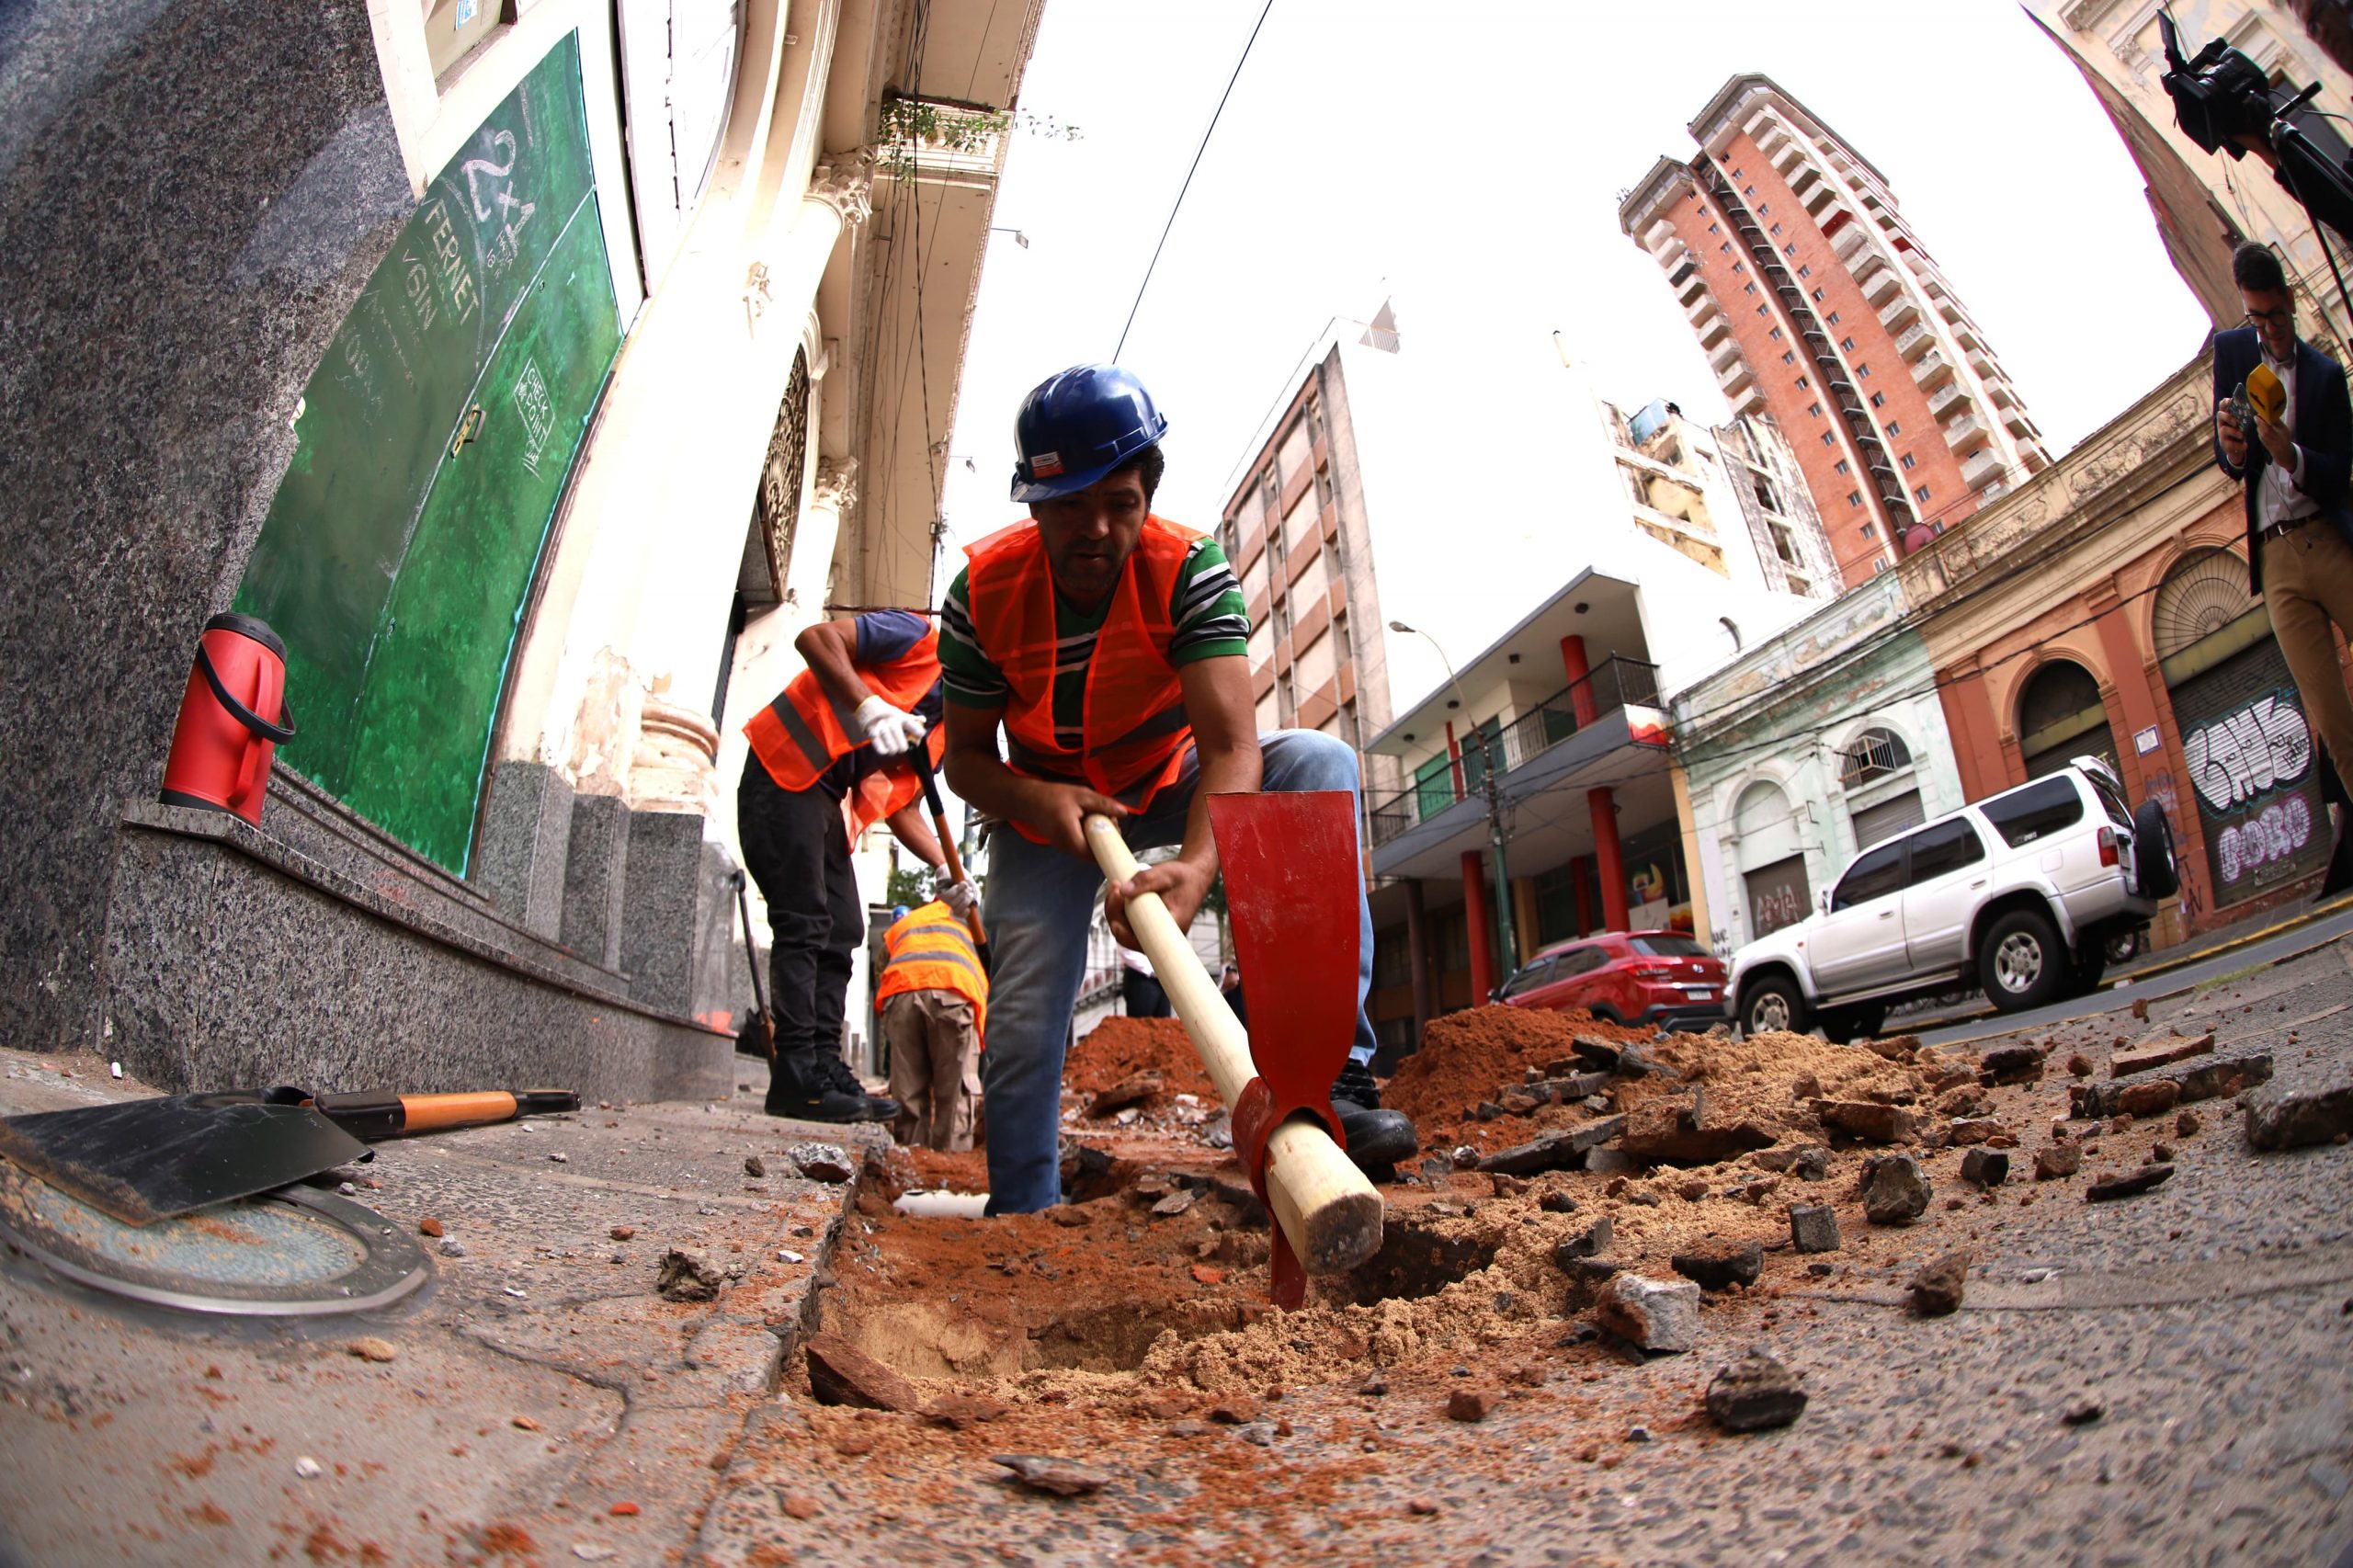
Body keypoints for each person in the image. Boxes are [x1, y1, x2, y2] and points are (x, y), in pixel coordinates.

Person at [939, 363, 1419, 1213]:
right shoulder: (980, 594)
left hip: (1171, 775)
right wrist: (1038, 802)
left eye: (1120, 503)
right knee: (1024, 1002)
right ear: (1033, 504)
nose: (1096, 530)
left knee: (1316, 762)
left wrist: (1201, 865)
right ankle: (1022, 1204)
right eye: (1068, 507)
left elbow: (1234, 744)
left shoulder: (1191, 569)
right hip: (1049, 805)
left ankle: (1331, 1077)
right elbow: (966, 760)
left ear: (1146, 495)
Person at [740, 610, 979, 1120]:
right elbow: (816, 638)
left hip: (822, 797)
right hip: (781, 769)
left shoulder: (938, 733)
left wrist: (945, 869)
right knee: (804, 921)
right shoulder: (919, 639)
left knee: (844, 924)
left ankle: (824, 1065)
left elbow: (903, 808)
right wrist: (868, 707)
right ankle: (795, 1070)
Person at [2211, 241, 2353, 895]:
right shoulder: (2235, 355)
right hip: (2275, 556)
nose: (2265, 331)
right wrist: (2233, 444)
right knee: (2329, 711)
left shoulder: (2325, 377)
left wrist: (2289, 452)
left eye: (2272, 316)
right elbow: (2231, 464)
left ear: (2290, 302)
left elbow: (2337, 473)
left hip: (2327, 538)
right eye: (2254, 318)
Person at [875, 898, 988, 1150]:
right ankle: (950, 1164)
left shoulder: (911, 922)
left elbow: (882, 963)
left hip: (901, 993)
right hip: (954, 995)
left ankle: (912, 1161)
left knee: (908, 1087)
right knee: (956, 1089)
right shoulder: (975, 921)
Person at [1118, 943, 1170, 1018]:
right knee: (1141, 1023)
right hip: (1140, 978)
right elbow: (1125, 951)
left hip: (1162, 979)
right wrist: (1156, 970)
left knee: (1164, 1023)